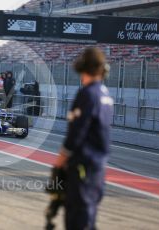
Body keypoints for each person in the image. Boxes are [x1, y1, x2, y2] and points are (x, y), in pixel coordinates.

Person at [51, 47, 113, 230]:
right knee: (89, 217)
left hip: (82, 168)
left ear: (81, 67)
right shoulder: (106, 95)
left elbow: (75, 135)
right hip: (98, 169)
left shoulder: (87, 94)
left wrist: (59, 164)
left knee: (78, 221)